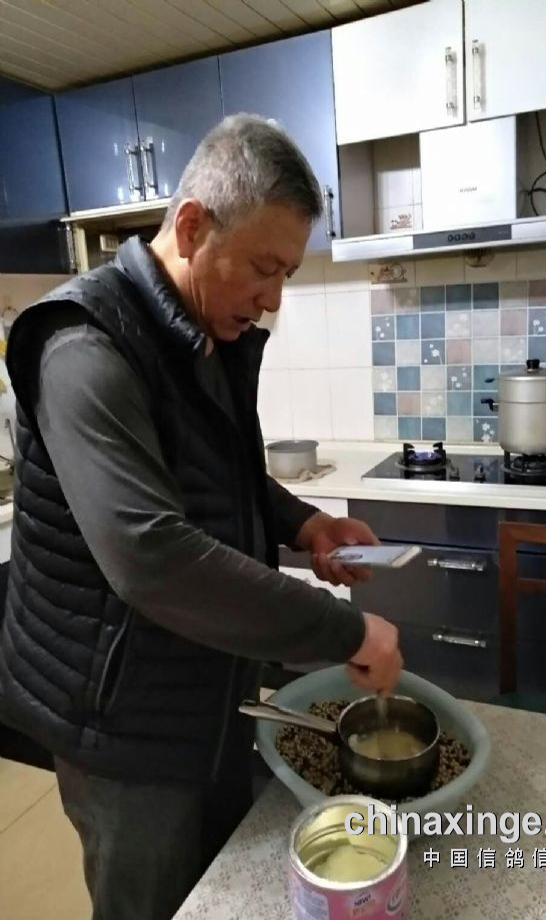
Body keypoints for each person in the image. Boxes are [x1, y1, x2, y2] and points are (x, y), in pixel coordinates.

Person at [0, 114, 403, 920]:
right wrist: (345, 633)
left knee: (215, 898)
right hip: (120, 726)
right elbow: (152, 555)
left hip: (203, 693)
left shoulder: (196, 331)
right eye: (263, 267)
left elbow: (216, 477)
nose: (274, 298)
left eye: (287, 273)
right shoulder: (84, 345)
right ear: (190, 227)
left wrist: (304, 525)